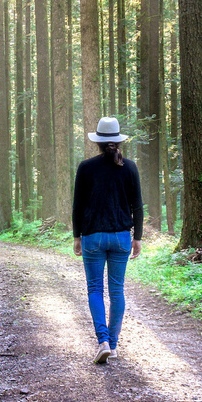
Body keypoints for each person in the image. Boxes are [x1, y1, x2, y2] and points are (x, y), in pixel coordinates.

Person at [71, 116, 143, 364]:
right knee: (117, 291)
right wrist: (138, 238)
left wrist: (76, 236)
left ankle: (102, 341)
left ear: (98, 142)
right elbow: (137, 207)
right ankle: (112, 345)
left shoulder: (86, 167)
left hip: (92, 236)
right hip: (122, 237)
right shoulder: (130, 167)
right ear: (118, 140)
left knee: (95, 289)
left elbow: (77, 206)